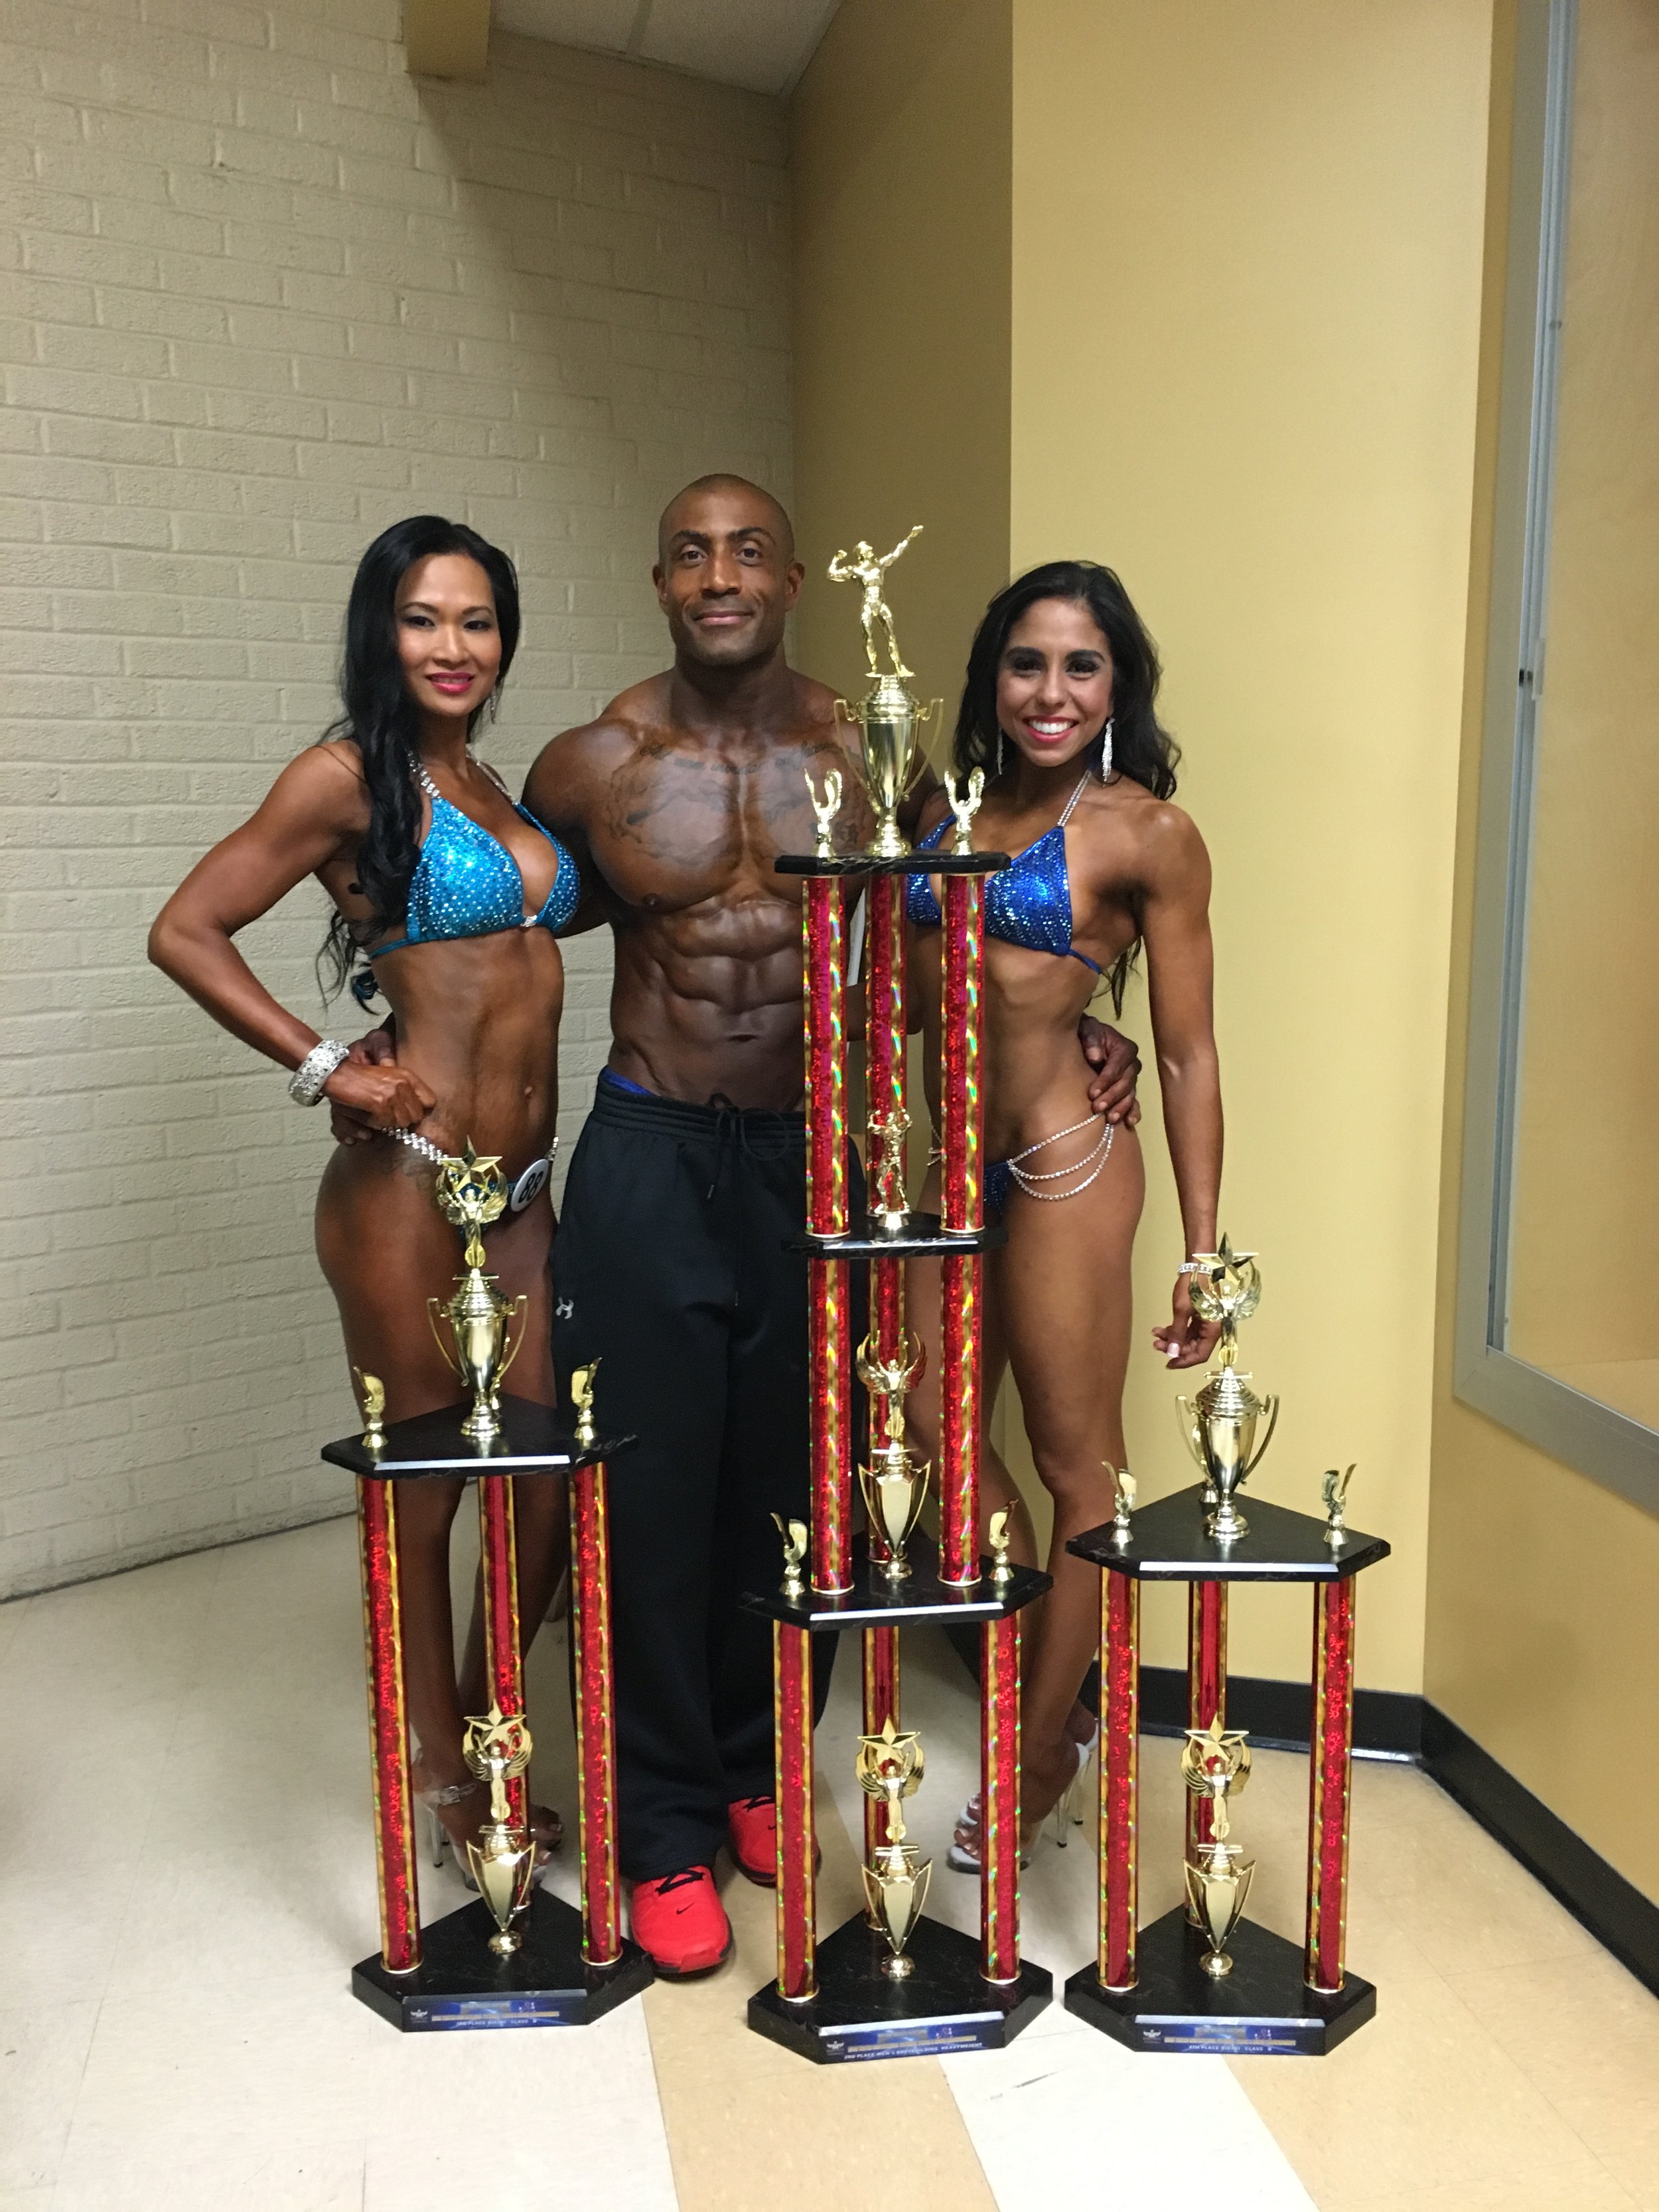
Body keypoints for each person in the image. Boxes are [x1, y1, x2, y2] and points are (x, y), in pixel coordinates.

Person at [336, 479, 1144, 1977]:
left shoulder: (864, 742)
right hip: (649, 1141)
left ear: (787, 578)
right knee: (644, 1495)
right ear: (658, 579)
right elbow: (467, 904)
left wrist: (1096, 1033)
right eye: (693, 553)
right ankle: (657, 1828)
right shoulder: (591, 759)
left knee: (797, 1481)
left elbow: (947, 926)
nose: (721, 575)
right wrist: (375, 1055)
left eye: (749, 550)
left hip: (811, 1155)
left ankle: (755, 1766)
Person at [149, 516, 579, 1876]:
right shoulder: (344, 776)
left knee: (546, 1482)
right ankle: (442, 1762)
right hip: (404, 1188)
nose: (452, 646)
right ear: (378, 632)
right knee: (428, 1489)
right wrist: (327, 1062)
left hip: (519, 1192)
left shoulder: (490, 778)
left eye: (476, 620)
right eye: (422, 619)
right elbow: (185, 926)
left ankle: (495, 1711)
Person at [902, 559, 1223, 1867]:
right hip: (935, 1175)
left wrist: (1206, 1250)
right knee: (924, 1435)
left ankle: (1037, 1749)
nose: (1049, 690)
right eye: (1025, 661)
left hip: (1061, 1162)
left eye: (1079, 665)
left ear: (1114, 686)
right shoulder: (931, 807)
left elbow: (1191, 1049)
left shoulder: (1145, 831)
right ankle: (1051, 1686)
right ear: (991, 675)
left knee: (1072, 1458)